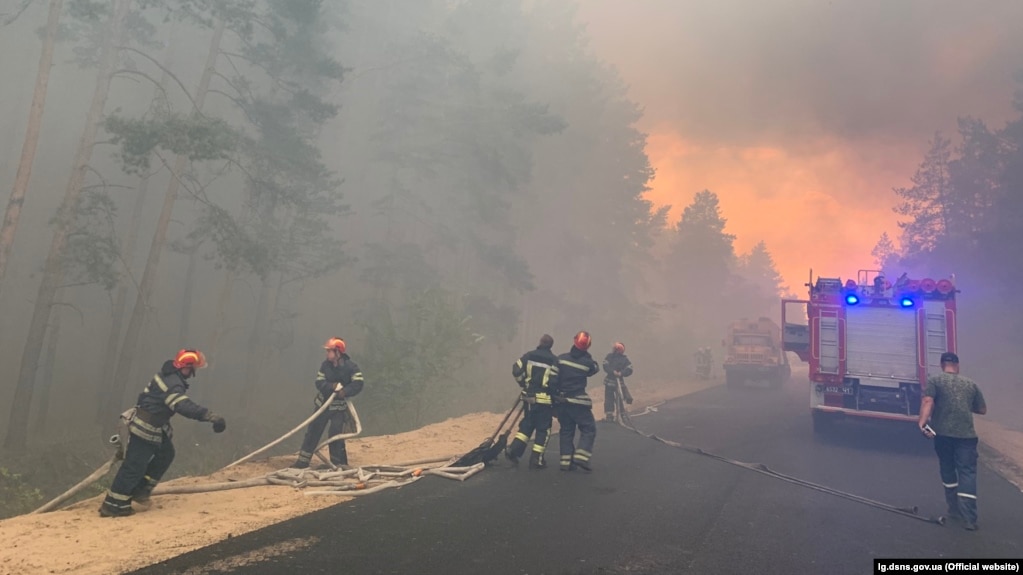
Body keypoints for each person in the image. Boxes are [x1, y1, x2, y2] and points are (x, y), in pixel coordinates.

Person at [100, 349, 226, 517]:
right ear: (187, 367)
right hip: (145, 426)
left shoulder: (168, 375)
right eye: (193, 368)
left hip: (155, 425)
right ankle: (114, 505)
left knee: (166, 454)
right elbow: (182, 405)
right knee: (134, 466)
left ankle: (141, 491)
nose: (193, 373)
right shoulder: (173, 383)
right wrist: (210, 416)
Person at [918, 352, 987, 530]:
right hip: (967, 437)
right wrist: (964, 405)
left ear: (942, 365)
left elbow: (927, 401)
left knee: (948, 469)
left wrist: (922, 422)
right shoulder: (971, 384)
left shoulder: (935, 381)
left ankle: (954, 509)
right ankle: (970, 519)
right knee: (967, 473)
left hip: (943, 436)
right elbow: (982, 409)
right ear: (957, 365)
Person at [292, 337, 365, 469]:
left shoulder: (351, 367)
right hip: (323, 406)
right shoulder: (325, 366)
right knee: (313, 431)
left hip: (339, 408)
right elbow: (319, 382)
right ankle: (302, 462)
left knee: (336, 434)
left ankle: (338, 464)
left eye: (329, 351)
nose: (327, 354)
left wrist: (345, 391)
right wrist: (331, 386)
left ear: (338, 352)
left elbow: (358, 383)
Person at [506, 334, 560, 469]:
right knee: (543, 429)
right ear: (551, 346)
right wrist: (556, 400)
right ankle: (537, 459)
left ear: (540, 342)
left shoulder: (529, 355)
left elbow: (516, 368)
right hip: (544, 400)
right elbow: (554, 382)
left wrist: (523, 383)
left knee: (527, 425)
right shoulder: (554, 360)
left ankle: (513, 451)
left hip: (529, 398)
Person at [551, 331, 600, 472]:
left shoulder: (560, 359)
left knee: (566, 431)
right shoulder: (587, 363)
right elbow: (595, 369)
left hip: (561, 402)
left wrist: (555, 399)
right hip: (578, 402)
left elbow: (552, 380)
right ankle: (581, 457)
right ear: (588, 346)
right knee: (588, 428)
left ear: (574, 341)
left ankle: (566, 463)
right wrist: (587, 355)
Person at [602, 342, 634, 422]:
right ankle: (609, 415)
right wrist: (613, 372)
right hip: (610, 381)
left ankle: (622, 413)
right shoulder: (609, 357)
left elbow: (630, 369)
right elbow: (605, 365)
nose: (617, 350)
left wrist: (621, 373)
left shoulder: (624, 359)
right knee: (609, 398)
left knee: (620, 397)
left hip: (619, 382)